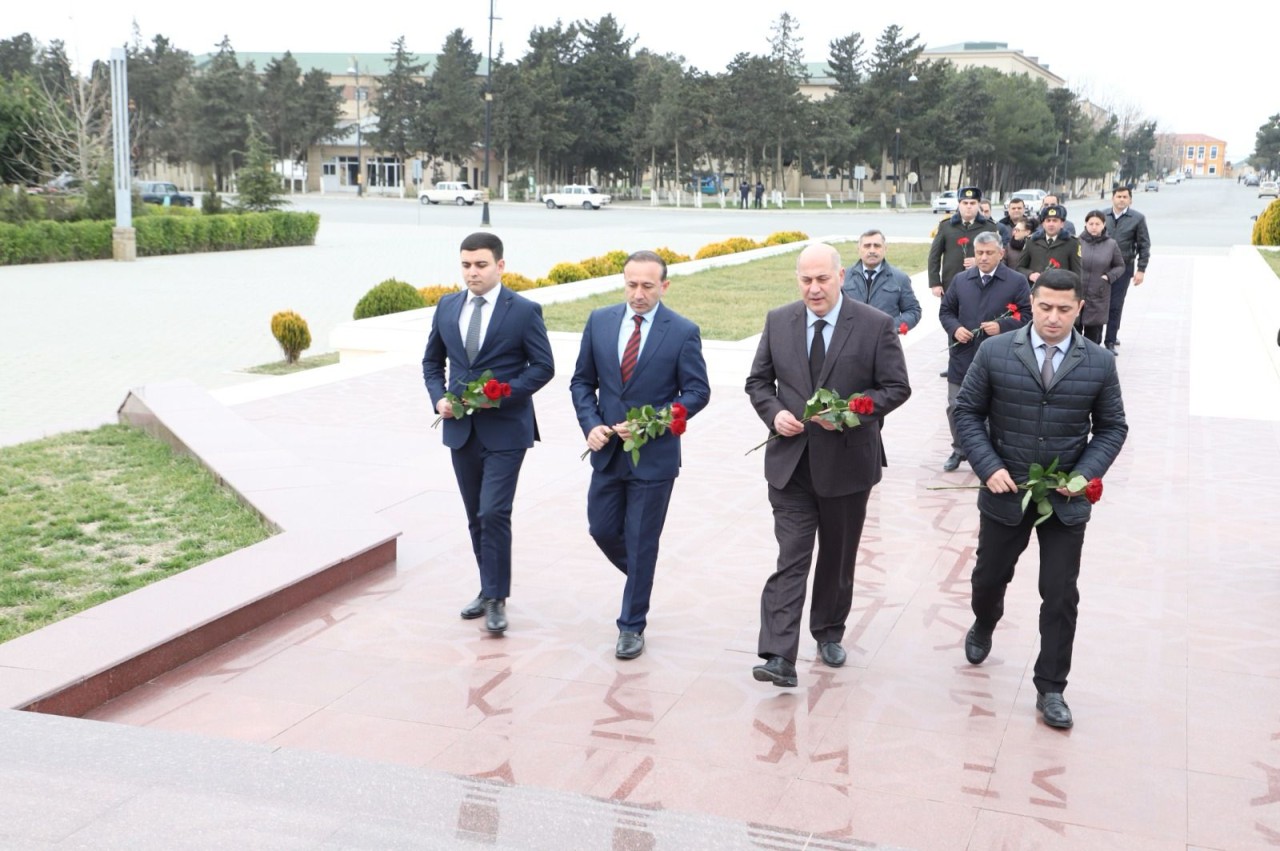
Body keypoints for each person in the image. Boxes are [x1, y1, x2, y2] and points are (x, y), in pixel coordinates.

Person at [953, 268, 1128, 729]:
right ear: (1032, 304)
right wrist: (988, 468)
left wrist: (1084, 475)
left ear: (1079, 309)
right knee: (989, 577)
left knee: (1060, 594)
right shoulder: (994, 352)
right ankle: (984, 621)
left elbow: (1112, 427)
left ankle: (1051, 687)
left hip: (1064, 501)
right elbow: (966, 413)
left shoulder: (1098, 362)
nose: (1053, 317)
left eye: (1064, 309)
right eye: (1045, 307)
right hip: (1005, 491)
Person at [745, 243, 911, 687]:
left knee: (838, 558)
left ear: (842, 276)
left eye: (822, 278)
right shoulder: (779, 321)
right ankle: (779, 655)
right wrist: (774, 412)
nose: (814, 288)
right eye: (806, 279)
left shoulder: (874, 325)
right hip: (791, 465)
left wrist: (848, 412)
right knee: (792, 557)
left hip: (847, 466)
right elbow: (758, 381)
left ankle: (829, 630)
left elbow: (896, 387)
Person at [570, 251, 711, 659]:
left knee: (641, 538)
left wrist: (655, 423)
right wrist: (590, 423)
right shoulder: (599, 321)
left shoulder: (683, 331)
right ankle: (641, 575)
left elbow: (697, 393)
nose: (638, 294)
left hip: (655, 459)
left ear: (664, 287)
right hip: (609, 452)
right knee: (601, 528)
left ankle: (631, 625)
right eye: (632, 284)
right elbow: (582, 382)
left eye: (648, 286)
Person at [422, 232, 556, 635]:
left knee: (494, 510)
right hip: (460, 430)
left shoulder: (524, 310)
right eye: (466, 265)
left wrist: (502, 394)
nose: (472, 272)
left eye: (480, 265)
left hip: (507, 431)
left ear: (500, 266)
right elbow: (432, 363)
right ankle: (487, 587)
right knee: (474, 516)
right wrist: (438, 399)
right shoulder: (447, 307)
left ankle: (497, 599)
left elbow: (542, 366)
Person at [938, 232, 1031, 472]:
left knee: (994, 407)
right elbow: (946, 311)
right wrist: (956, 329)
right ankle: (959, 449)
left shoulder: (1016, 281)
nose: (983, 257)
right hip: (963, 355)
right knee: (956, 405)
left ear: (1001, 253)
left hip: (999, 357)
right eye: (979, 252)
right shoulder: (961, 280)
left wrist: (1002, 326)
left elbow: (1027, 316)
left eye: (989, 253)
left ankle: (989, 454)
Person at [928, 186, 999, 377]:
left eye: (972, 203)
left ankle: (979, 364)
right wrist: (935, 282)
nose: (968, 207)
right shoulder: (946, 226)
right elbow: (934, 256)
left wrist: (978, 261)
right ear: (958, 205)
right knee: (953, 322)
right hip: (952, 284)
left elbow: (999, 255)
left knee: (978, 321)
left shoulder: (990, 227)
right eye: (964, 203)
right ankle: (955, 363)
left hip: (982, 285)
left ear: (979, 205)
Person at [840, 229, 922, 332]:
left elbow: (913, 311)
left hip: (885, 342)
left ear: (885, 249)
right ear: (859, 249)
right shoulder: (844, 277)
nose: (872, 250)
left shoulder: (900, 278)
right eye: (867, 246)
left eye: (877, 246)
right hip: (850, 340)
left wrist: (889, 326)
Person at [1102, 185, 1152, 354]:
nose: (1121, 200)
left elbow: (1144, 245)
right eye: (1118, 196)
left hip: (1123, 267)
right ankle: (1096, 337)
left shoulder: (1137, 218)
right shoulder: (1102, 216)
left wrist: (1141, 269)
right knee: (1099, 302)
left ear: (1130, 199)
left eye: (1125, 197)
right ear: (1112, 198)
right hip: (1101, 267)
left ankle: (1109, 340)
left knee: (1116, 304)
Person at [1077, 210, 1125, 343]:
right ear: (1085, 224)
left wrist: (1108, 277)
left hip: (1098, 294)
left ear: (1103, 224)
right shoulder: (1077, 242)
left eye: (1097, 224)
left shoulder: (1111, 244)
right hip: (1077, 294)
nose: (1094, 227)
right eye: (1091, 223)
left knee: (1093, 336)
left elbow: (1120, 266)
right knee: (1074, 333)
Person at [1017, 204, 1082, 283]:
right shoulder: (1032, 241)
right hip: (1036, 290)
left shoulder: (1072, 243)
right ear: (1043, 224)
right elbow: (1019, 268)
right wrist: (1030, 274)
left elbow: (1077, 274)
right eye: (1048, 220)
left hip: (1060, 290)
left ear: (1062, 224)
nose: (1051, 224)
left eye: (1055, 220)